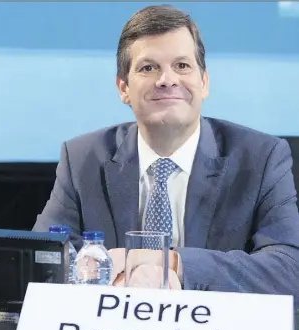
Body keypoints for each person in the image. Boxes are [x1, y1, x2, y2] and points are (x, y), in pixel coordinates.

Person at [33, 5, 299, 301]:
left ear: (204, 82)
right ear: (123, 88)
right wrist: (102, 271)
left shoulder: (261, 158)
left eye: (182, 66)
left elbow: (289, 269)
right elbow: (44, 258)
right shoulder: (83, 158)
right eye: (148, 68)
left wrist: (170, 262)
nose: (167, 79)